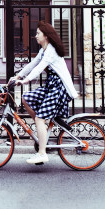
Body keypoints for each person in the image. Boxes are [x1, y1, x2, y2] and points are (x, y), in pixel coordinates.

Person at [8, 21, 78, 165]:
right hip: (50, 87)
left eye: (38, 33)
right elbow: (33, 64)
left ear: (45, 36)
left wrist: (25, 81)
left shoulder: (51, 51)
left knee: (40, 118)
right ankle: (43, 129)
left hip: (59, 89)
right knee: (25, 99)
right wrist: (18, 76)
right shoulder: (43, 50)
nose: (35, 36)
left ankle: (42, 153)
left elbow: (39, 68)